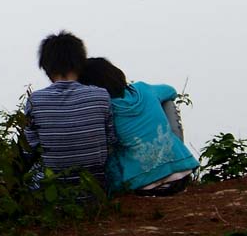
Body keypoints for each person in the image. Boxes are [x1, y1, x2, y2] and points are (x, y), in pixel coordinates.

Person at [79, 57, 198, 196]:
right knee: (167, 103)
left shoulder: (105, 108)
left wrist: (113, 190)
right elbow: (171, 91)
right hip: (181, 175)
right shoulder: (144, 89)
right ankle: (177, 154)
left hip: (143, 185)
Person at [23, 32, 116, 190]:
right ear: (80, 63)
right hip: (95, 192)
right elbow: (112, 141)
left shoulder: (35, 101)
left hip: (50, 193)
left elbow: (29, 149)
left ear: (46, 66)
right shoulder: (101, 96)